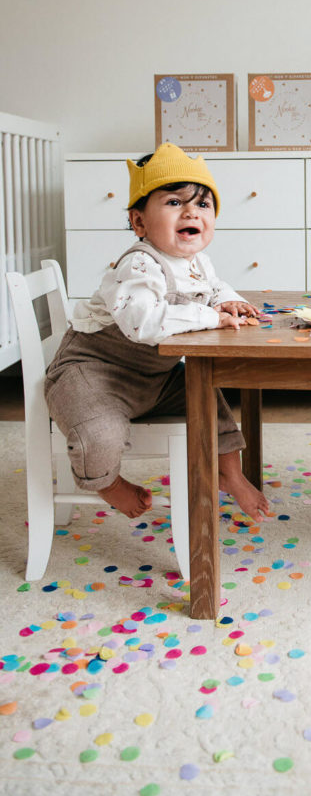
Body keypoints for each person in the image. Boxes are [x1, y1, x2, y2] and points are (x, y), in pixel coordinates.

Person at [45, 142, 270, 521]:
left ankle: (230, 473)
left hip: (155, 377)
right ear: (139, 222)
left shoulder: (197, 261)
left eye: (202, 204)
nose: (190, 211)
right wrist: (211, 318)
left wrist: (228, 300)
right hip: (92, 374)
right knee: (98, 435)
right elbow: (143, 323)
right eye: (174, 203)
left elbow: (215, 286)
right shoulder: (137, 264)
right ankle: (109, 483)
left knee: (209, 398)